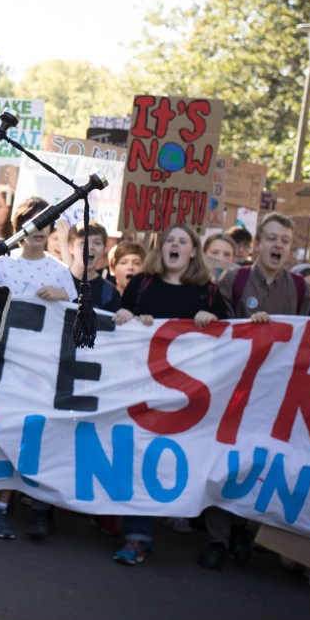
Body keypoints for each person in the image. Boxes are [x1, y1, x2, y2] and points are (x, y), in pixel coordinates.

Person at [0, 197, 78, 541]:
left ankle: (1, 504)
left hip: (34, 372)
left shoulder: (60, 272)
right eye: (31, 221)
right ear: (19, 225)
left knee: (18, 434)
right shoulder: (0, 265)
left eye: (45, 222)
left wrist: (64, 297)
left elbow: (75, 322)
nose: (38, 229)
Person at [111, 224, 228, 565]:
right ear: (161, 248)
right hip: (141, 387)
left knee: (163, 460)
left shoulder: (207, 293)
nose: (174, 245)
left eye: (183, 241)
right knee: (139, 456)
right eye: (169, 241)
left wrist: (212, 319)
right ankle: (137, 535)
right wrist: (127, 316)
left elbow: (231, 337)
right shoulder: (141, 284)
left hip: (185, 396)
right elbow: (120, 323)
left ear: (193, 252)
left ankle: (150, 526)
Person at [205, 214, 310, 577]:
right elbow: (219, 327)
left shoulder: (299, 289)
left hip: (273, 395)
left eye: (285, 240)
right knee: (223, 461)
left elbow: (307, 340)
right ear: (257, 245)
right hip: (233, 389)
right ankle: (218, 538)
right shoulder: (234, 280)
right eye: (271, 238)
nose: (278, 245)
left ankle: (243, 531)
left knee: (260, 464)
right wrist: (247, 329)